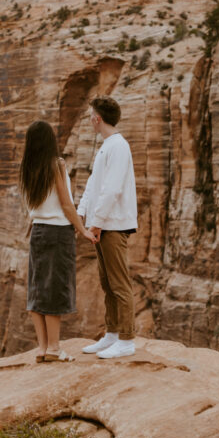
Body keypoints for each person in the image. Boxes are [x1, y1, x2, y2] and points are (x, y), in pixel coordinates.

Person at [20, 120, 95, 363]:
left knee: (37, 288)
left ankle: (42, 348)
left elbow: (34, 204)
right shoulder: (56, 165)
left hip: (38, 231)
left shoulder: (27, 166)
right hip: (57, 232)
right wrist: (81, 228)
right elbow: (65, 203)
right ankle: (54, 348)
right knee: (54, 289)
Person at [77, 96, 138, 359]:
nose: (89, 118)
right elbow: (94, 183)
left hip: (112, 225)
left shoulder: (118, 146)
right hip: (102, 224)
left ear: (97, 118)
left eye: (91, 114)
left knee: (119, 283)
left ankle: (126, 340)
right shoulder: (107, 146)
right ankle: (112, 334)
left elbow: (112, 189)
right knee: (107, 282)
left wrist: (97, 223)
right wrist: (82, 213)